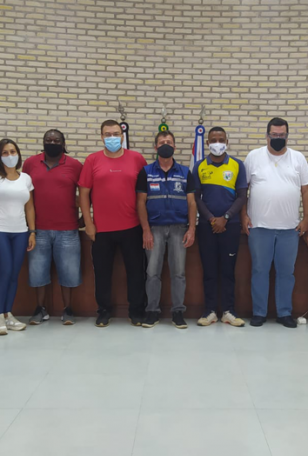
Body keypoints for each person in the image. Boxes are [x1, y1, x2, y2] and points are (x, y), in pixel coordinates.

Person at [242, 117, 308, 328]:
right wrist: (243, 216)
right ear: (267, 136)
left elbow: (307, 190)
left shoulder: (298, 158)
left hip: (289, 228)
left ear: (287, 136)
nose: (278, 138)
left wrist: (307, 219)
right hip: (259, 226)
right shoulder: (253, 156)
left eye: (282, 135)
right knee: (259, 271)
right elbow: (242, 189)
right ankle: (259, 312)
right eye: (274, 135)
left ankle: (284, 313)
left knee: (286, 273)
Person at [78, 120, 147, 327]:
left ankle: (136, 311)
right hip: (101, 229)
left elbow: (145, 192)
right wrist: (88, 223)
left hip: (132, 227)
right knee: (102, 273)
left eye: (116, 134)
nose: (112, 138)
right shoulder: (92, 160)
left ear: (122, 136)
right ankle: (104, 311)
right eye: (108, 134)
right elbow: (83, 194)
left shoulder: (136, 159)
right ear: (101, 137)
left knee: (136, 272)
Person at [136, 130, 196, 329]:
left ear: (175, 147)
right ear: (155, 147)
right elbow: (140, 202)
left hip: (179, 228)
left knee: (178, 272)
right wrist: (145, 230)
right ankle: (152, 311)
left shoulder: (185, 172)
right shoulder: (146, 172)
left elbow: (192, 203)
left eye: (169, 142)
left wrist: (192, 229)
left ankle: (178, 312)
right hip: (154, 229)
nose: (165, 145)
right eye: (162, 142)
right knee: (152, 272)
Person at [23, 129, 83, 326]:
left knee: (69, 272)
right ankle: (40, 309)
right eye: (48, 140)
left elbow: (86, 194)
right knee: (37, 272)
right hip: (37, 230)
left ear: (63, 143)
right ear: (43, 142)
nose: (52, 142)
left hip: (68, 230)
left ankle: (68, 309)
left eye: (57, 140)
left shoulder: (75, 165)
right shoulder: (30, 163)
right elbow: (23, 193)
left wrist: (84, 219)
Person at [191, 126, 247, 327]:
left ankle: (229, 311)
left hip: (231, 226)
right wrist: (211, 219)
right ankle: (210, 311)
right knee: (209, 271)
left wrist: (225, 217)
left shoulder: (237, 165)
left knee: (228, 271)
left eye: (221, 139)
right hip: (207, 227)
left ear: (227, 142)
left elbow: (242, 196)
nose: (217, 143)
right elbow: (196, 197)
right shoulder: (199, 166)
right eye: (213, 140)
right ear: (207, 143)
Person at [0, 139, 36, 335]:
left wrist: (32, 231)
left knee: (14, 274)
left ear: (18, 154)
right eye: (5, 152)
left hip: (20, 231)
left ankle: (8, 314)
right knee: (4, 271)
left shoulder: (26, 179)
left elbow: (29, 207)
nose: (10, 155)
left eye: (13, 151)